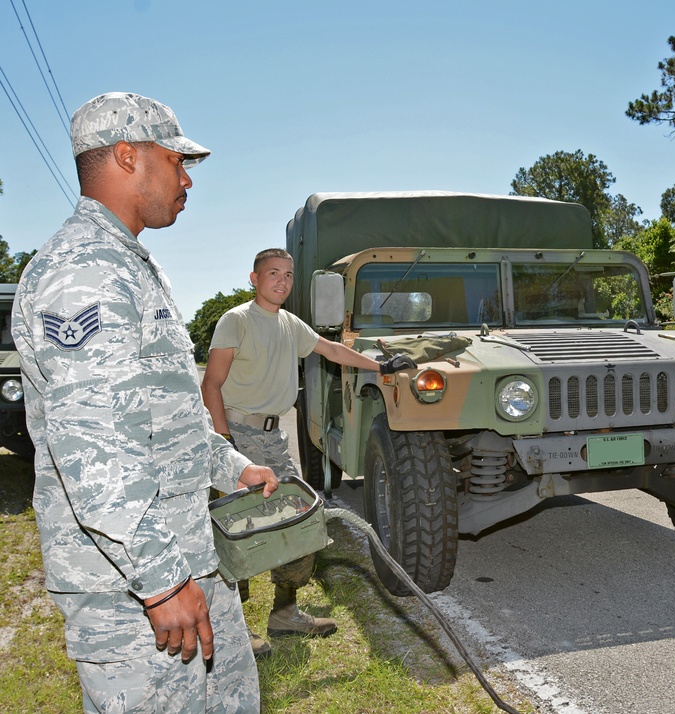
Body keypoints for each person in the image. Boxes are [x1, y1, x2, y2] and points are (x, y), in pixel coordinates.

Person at [12, 92, 279, 713]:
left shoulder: (129, 266)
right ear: (128, 157)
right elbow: (94, 450)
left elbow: (164, 417)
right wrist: (160, 581)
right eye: (176, 161)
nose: (187, 179)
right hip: (134, 591)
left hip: (191, 563)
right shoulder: (86, 273)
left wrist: (231, 465)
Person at [200, 247, 416, 658]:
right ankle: (232, 628)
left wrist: (380, 367)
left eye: (288, 274)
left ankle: (284, 612)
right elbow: (211, 384)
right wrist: (225, 444)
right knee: (235, 532)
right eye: (272, 273)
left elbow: (333, 350)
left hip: (272, 439)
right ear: (254, 278)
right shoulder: (237, 320)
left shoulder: (289, 324)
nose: (281, 281)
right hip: (237, 435)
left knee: (300, 522)